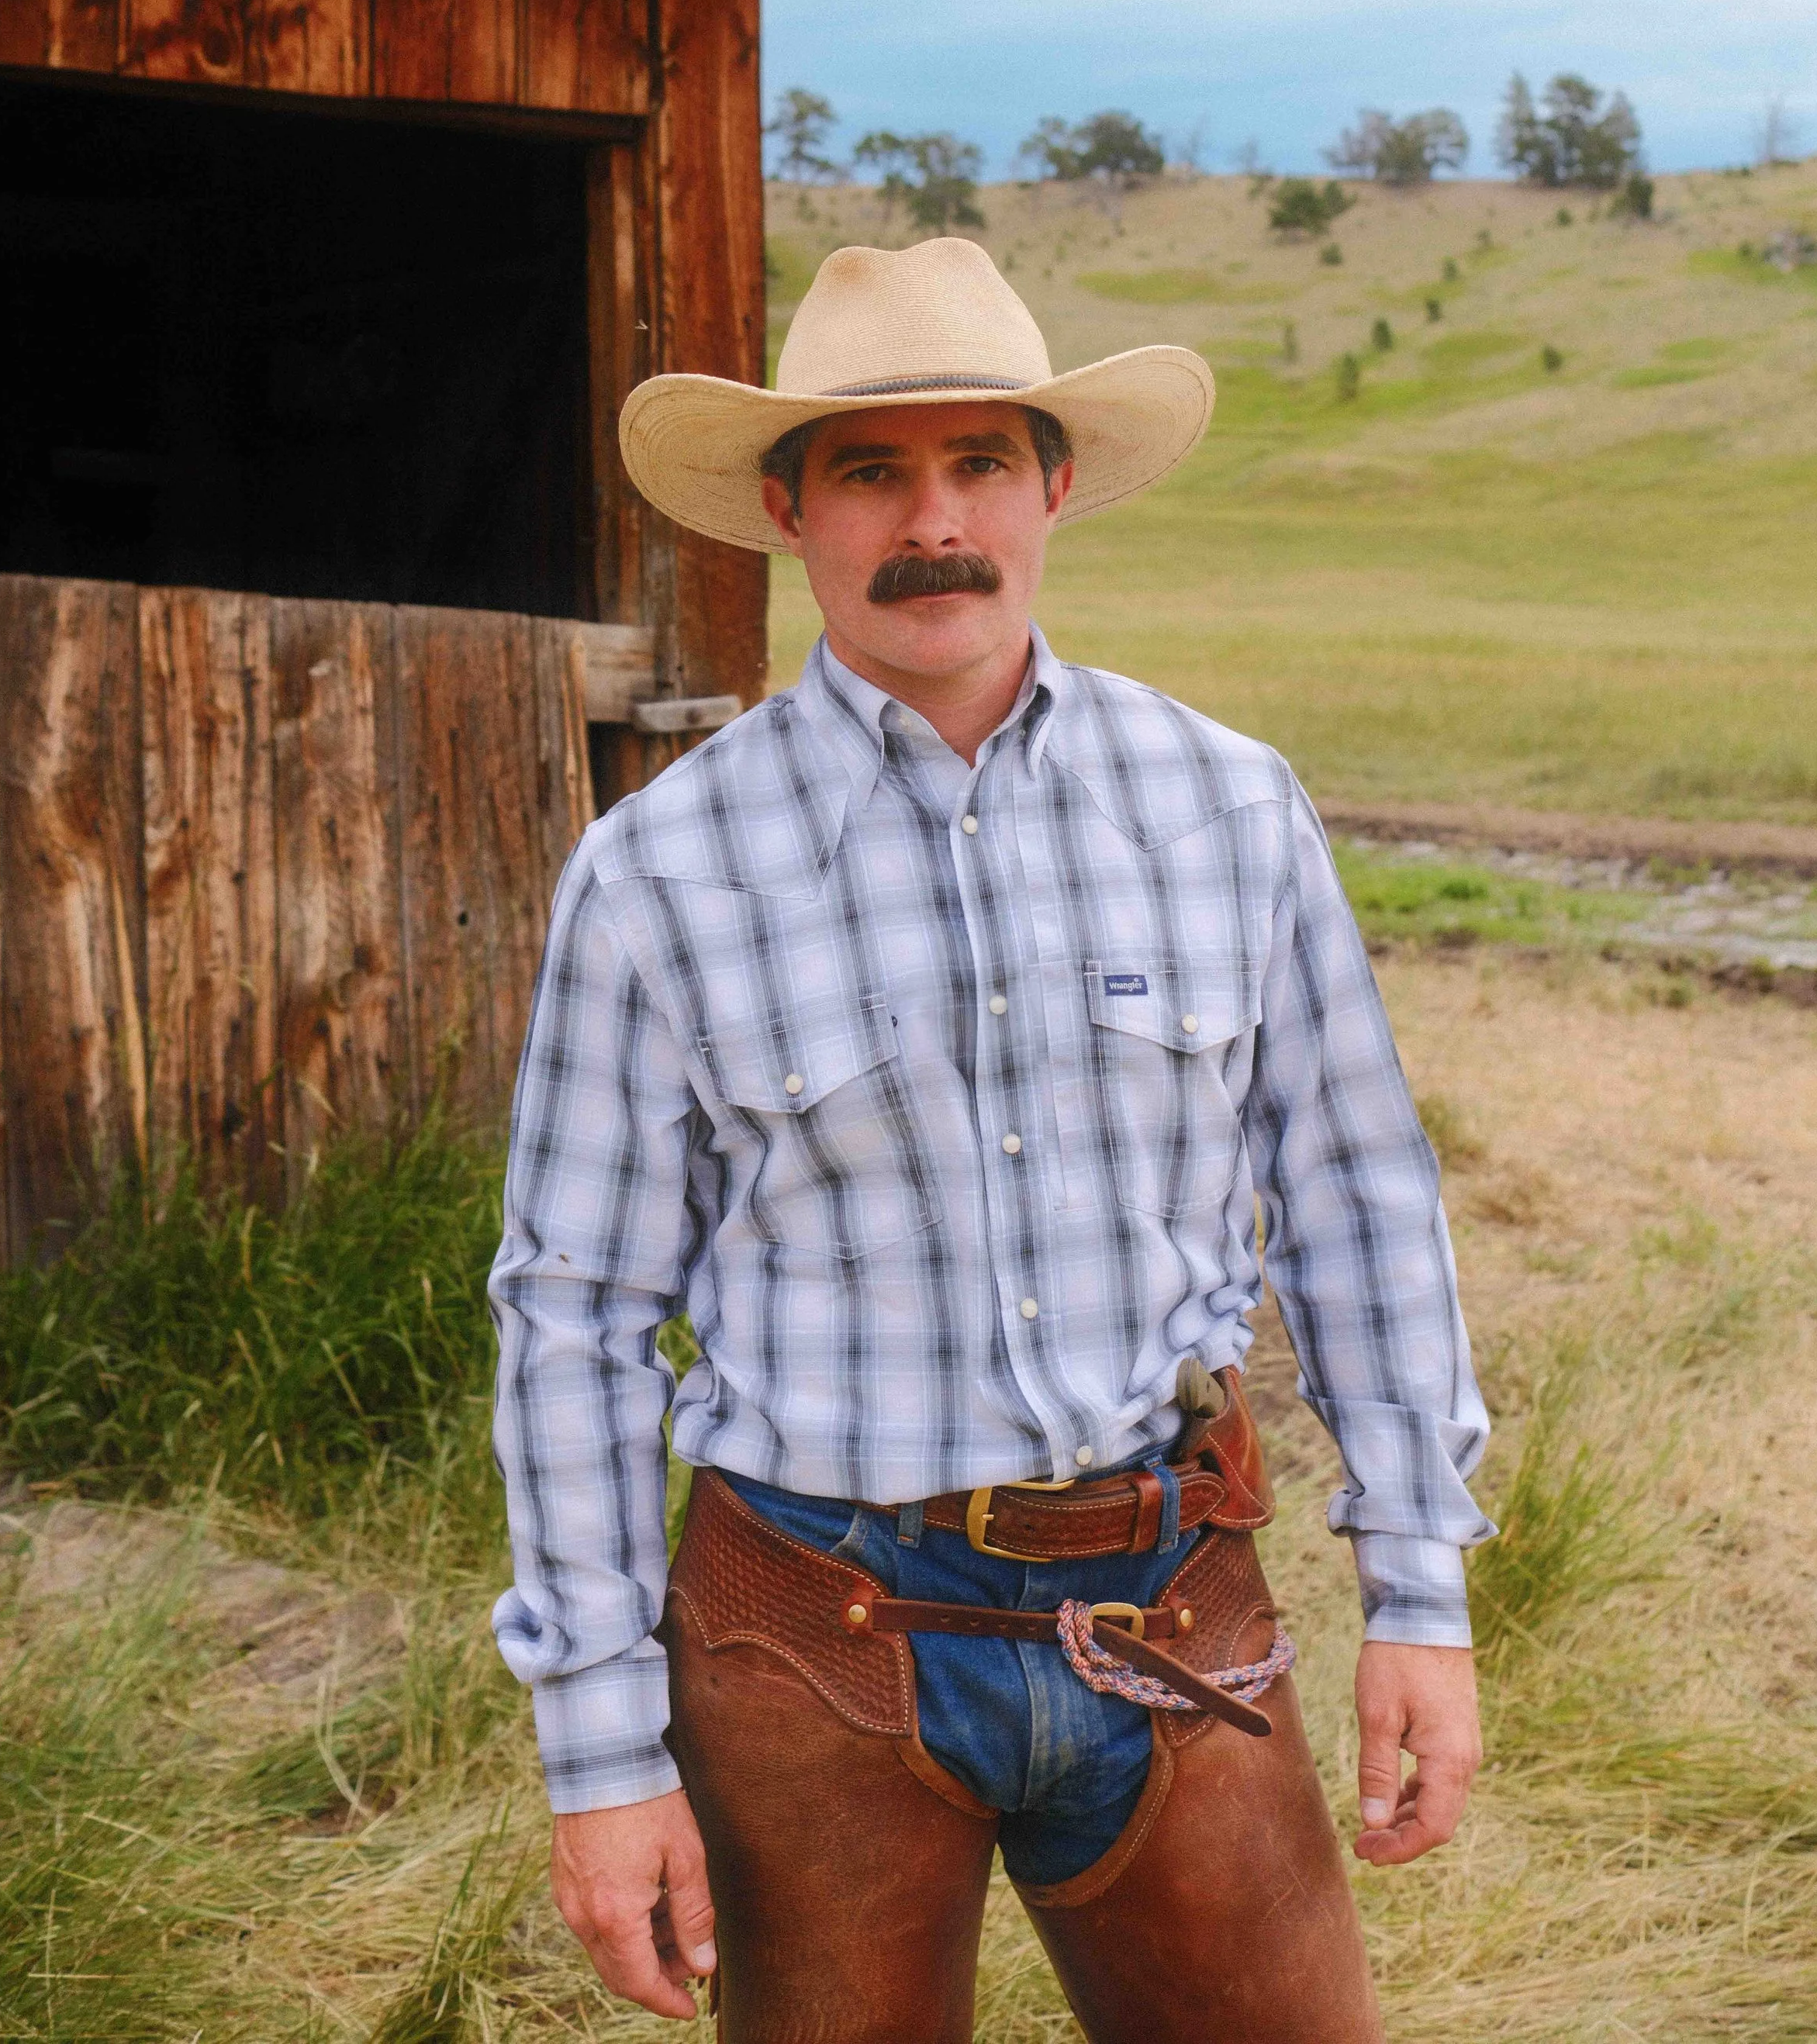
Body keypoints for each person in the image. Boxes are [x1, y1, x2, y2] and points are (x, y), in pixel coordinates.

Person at [490, 238, 1491, 2042]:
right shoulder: (657, 868)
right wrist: (598, 1756)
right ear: (787, 509)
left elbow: (1355, 1198)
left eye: (975, 466)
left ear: (1055, 487)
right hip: (806, 1629)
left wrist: (1418, 1595)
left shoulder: (1223, 804)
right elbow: (570, 1313)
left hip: (1173, 1598)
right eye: (871, 469)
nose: (929, 520)